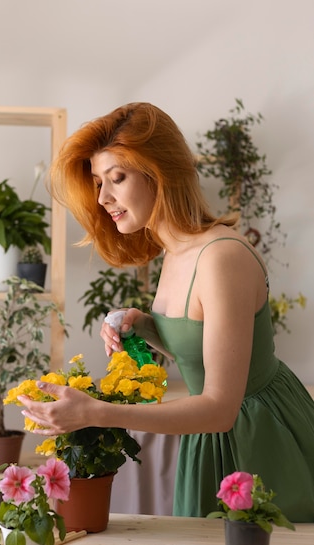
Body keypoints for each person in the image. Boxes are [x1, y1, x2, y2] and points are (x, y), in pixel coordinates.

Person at [19, 102, 314, 522]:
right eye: (99, 182)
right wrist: (145, 325)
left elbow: (219, 406)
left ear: (159, 172)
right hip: (213, 438)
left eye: (117, 179)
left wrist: (94, 412)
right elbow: (203, 350)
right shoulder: (175, 252)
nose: (103, 198)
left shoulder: (220, 258)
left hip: (257, 440)